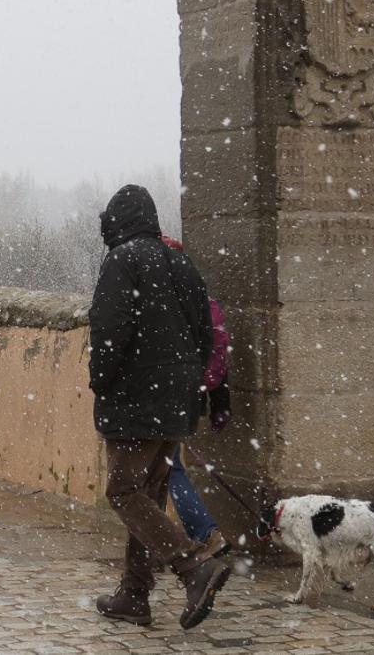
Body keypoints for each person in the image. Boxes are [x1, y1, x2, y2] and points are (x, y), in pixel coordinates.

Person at [89, 184, 231, 630]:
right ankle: (134, 594)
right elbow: (205, 332)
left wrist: (101, 381)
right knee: (149, 492)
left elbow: (109, 332)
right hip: (178, 398)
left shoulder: (122, 260)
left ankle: (193, 565)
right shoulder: (179, 261)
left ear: (117, 221)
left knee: (124, 491)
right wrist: (188, 380)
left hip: (136, 397)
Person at [161, 236, 232, 558]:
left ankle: (204, 534)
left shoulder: (167, 304)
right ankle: (162, 543)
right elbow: (217, 355)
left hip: (164, 398)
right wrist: (220, 404)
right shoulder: (202, 300)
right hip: (192, 398)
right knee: (163, 469)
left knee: (167, 469)